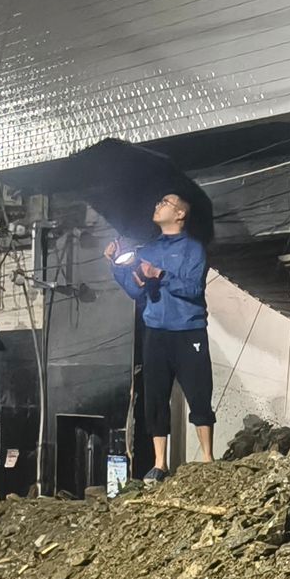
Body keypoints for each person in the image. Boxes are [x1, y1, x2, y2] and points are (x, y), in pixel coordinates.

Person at [110, 192, 216, 481]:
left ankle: (207, 458)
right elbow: (135, 291)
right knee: (156, 396)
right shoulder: (148, 249)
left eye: (165, 203)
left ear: (180, 214)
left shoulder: (193, 248)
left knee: (199, 391)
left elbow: (194, 289)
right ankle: (160, 462)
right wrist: (117, 267)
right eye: (157, 202)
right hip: (156, 330)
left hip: (188, 328)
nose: (157, 205)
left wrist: (161, 273)